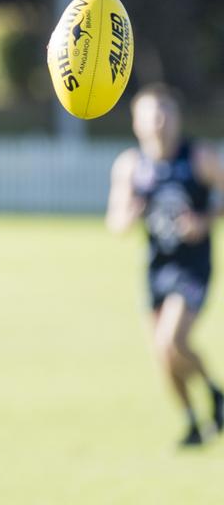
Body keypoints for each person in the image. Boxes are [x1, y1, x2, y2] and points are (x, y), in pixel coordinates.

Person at [106, 83, 224, 446]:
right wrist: (130, 214)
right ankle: (194, 419)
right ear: (136, 122)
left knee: (171, 338)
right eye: (150, 114)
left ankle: (214, 394)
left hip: (192, 266)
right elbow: (116, 223)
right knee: (162, 352)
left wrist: (203, 220)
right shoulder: (131, 165)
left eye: (165, 112)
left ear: (177, 117)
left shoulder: (197, 156)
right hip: (157, 268)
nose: (158, 122)